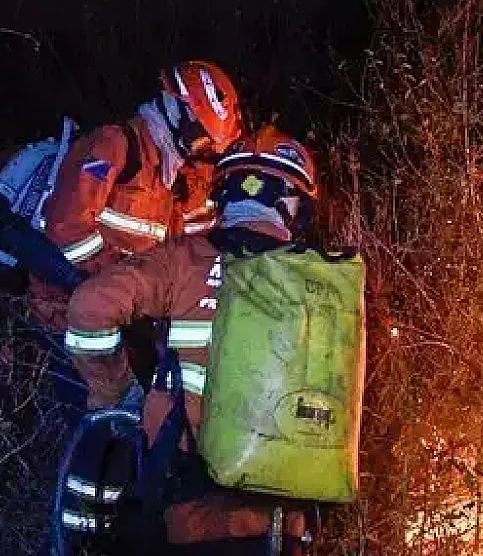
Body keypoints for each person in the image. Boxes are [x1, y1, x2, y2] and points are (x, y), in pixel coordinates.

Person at [62, 126, 319, 553]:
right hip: (280, 518)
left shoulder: (182, 260)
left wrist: (120, 396)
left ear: (224, 196)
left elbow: (90, 307)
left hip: (188, 508)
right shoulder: (323, 283)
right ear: (293, 205)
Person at [39, 61, 245, 543]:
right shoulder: (114, 147)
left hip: (126, 327)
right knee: (89, 439)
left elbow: (197, 253)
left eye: (211, 147)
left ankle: (113, 532)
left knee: (135, 447)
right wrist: (125, 283)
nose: (202, 152)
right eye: (200, 138)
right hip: (69, 321)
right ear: (174, 110)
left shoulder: (184, 183)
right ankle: (70, 536)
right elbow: (68, 230)